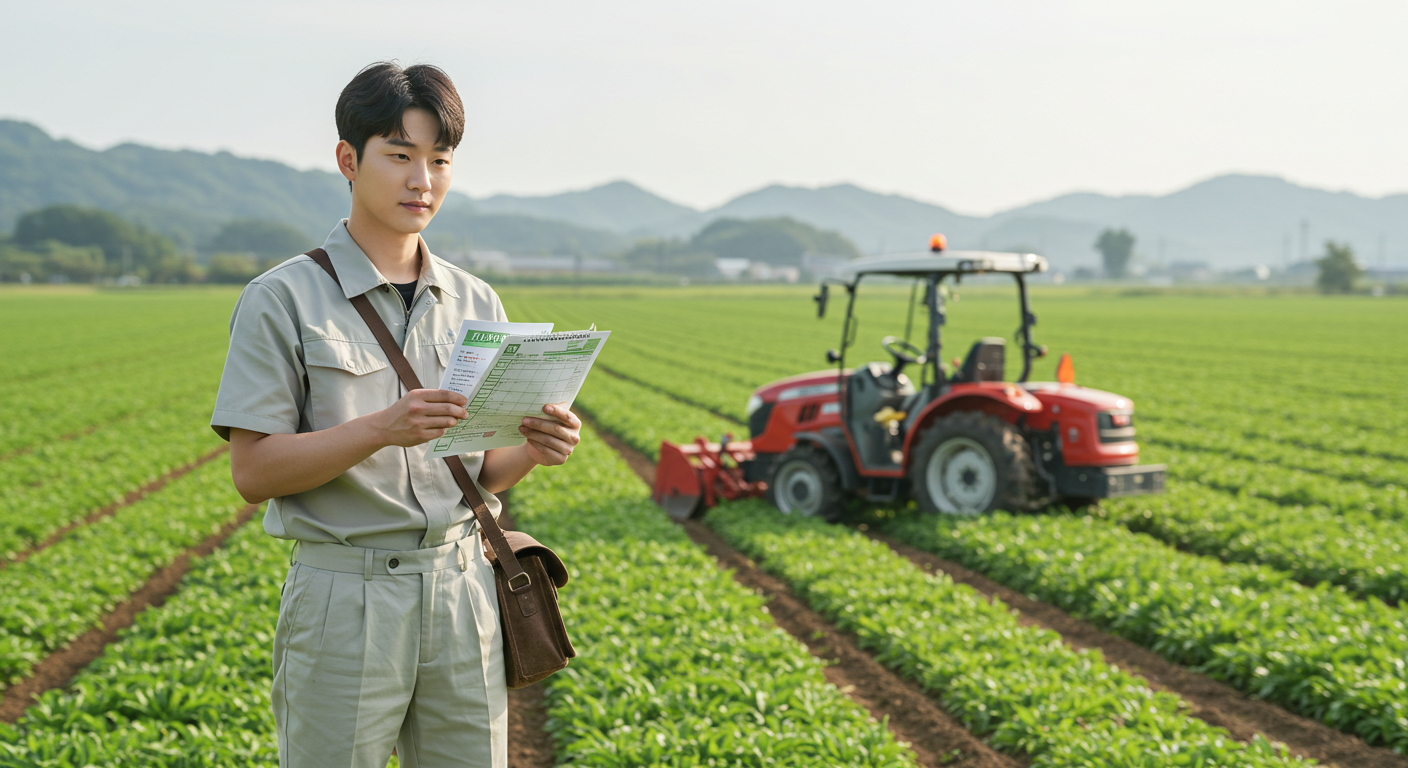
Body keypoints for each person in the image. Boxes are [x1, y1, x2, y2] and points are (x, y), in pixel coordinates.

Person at [210, 61, 580, 768]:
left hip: (463, 587)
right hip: (345, 597)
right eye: (401, 157)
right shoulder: (282, 298)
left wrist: (536, 444)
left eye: (440, 161)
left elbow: (483, 473)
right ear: (349, 160)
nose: (423, 182)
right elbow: (254, 472)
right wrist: (381, 427)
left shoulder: (477, 302)